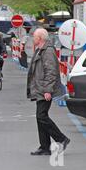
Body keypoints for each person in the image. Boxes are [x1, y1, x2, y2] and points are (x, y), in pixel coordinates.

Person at [27, 28, 70, 156]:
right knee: (40, 117)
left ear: (39, 38)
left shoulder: (48, 51)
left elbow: (51, 72)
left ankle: (61, 139)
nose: (33, 39)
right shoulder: (41, 49)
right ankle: (45, 147)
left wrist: (48, 90)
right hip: (40, 88)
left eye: (34, 36)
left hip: (44, 89)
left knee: (41, 116)